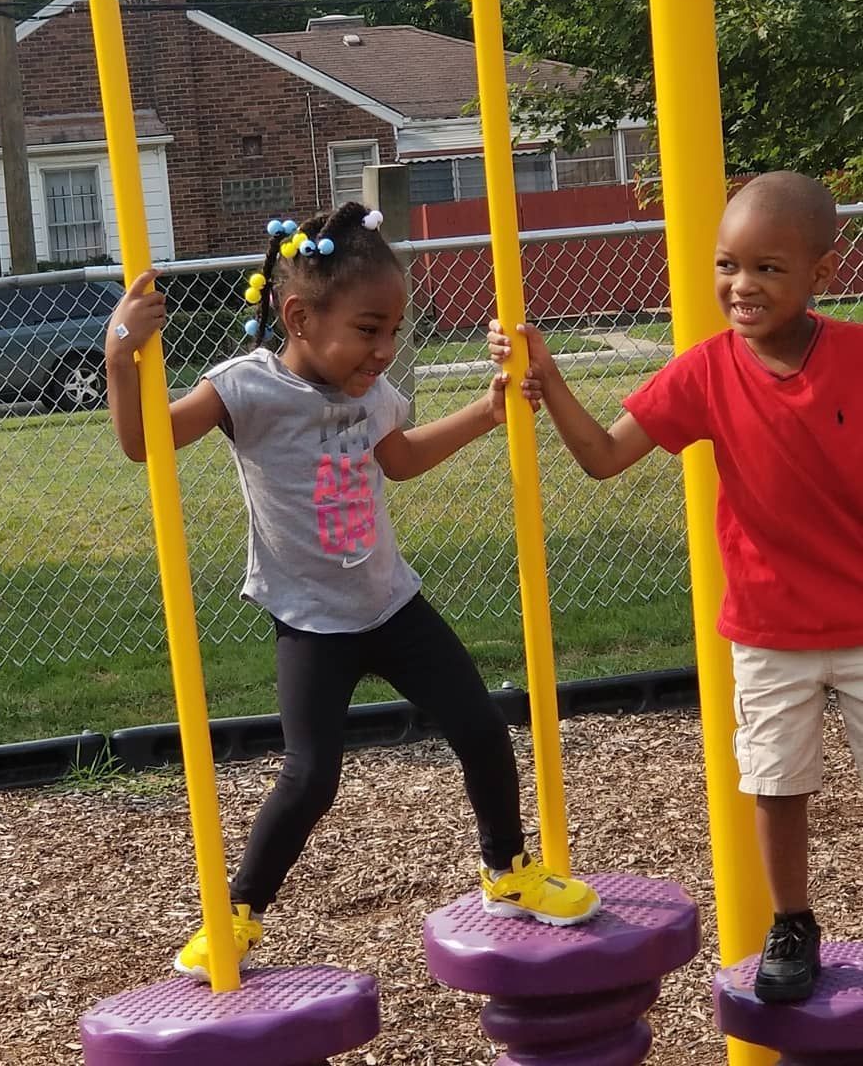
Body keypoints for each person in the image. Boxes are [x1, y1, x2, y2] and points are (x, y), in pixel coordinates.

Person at [106, 201, 601, 983]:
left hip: (391, 604)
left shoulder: (373, 394)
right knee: (311, 776)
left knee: (480, 727)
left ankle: (507, 868)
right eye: (370, 329)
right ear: (299, 316)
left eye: (396, 331)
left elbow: (397, 460)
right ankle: (236, 914)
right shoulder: (247, 389)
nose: (385, 349)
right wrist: (119, 354)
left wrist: (488, 409)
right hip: (310, 622)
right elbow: (145, 444)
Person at [490, 171, 862, 1004]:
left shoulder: (856, 360)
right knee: (775, 782)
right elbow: (604, 457)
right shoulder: (704, 372)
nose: (742, 285)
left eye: (769, 268)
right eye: (729, 265)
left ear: (821, 277)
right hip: (769, 631)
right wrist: (548, 383)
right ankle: (792, 922)